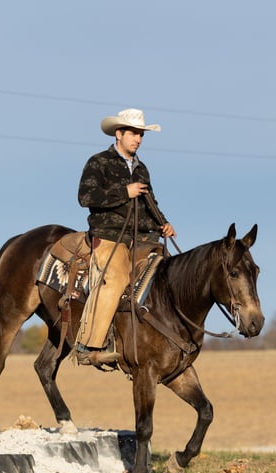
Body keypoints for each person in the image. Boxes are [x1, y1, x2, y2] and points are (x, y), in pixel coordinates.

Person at [74, 108, 176, 365]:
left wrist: (163, 223)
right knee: (117, 277)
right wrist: (124, 192)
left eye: (141, 134)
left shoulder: (142, 169)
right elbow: (85, 197)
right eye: (133, 133)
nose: (138, 139)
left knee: (170, 274)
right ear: (118, 134)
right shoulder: (99, 162)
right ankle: (89, 346)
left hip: (143, 238)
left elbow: (149, 203)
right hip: (109, 236)